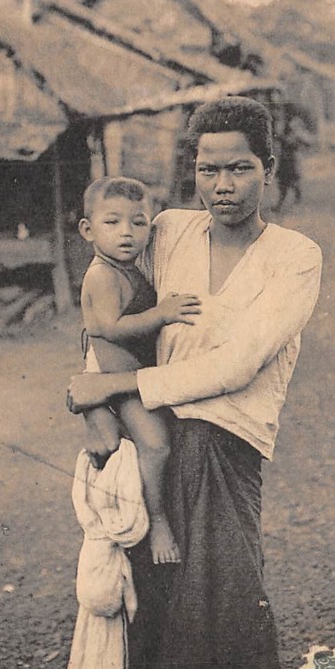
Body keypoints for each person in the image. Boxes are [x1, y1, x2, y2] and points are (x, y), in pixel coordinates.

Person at [66, 97, 322, 669]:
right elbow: (105, 304)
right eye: (208, 166)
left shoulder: (294, 257)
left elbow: (236, 364)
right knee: (164, 639)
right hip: (156, 458)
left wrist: (118, 388)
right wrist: (98, 394)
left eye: (239, 166)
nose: (221, 183)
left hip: (226, 456)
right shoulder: (167, 229)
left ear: (268, 170)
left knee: (228, 644)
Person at [77, 176, 201, 564]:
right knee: (156, 444)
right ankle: (158, 520)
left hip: (133, 377)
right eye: (112, 223)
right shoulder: (101, 274)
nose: (126, 234)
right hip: (120, 386)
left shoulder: (130, 267)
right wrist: (162, 314)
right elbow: (109, 327)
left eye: (139, 222)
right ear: (87, 229)